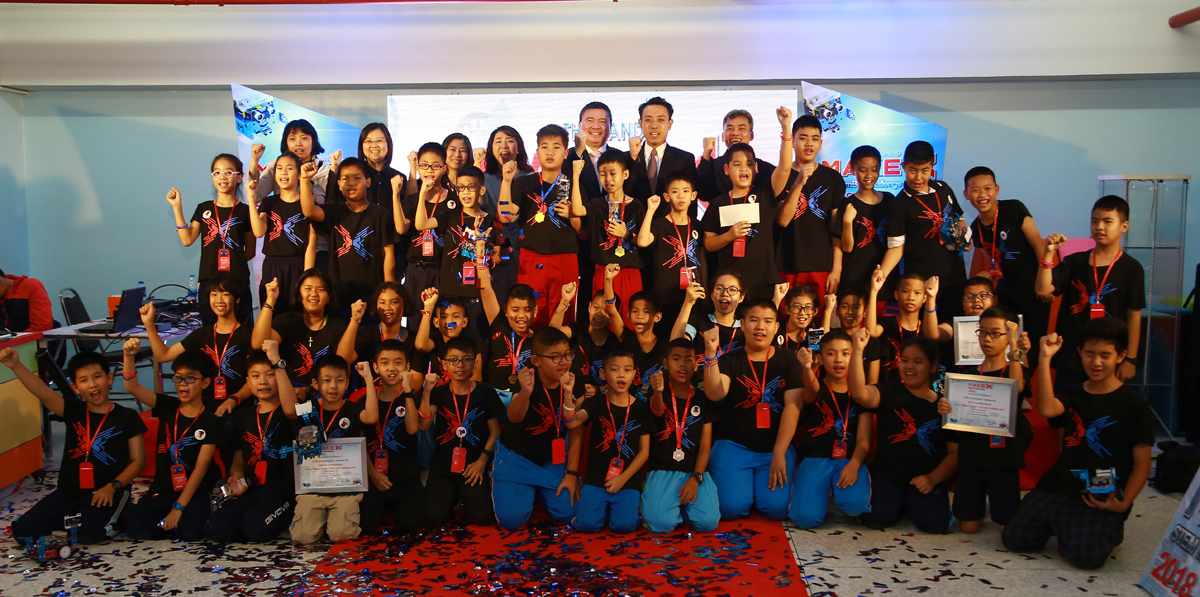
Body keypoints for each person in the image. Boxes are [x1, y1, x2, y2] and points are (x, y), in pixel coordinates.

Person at [1002, 319, 1153, 569]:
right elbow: (1047, 409)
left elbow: (1143, 464)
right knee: (1015, 539)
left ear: (1120, 356)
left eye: (1105, 355)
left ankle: (1101, 527)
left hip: (1100, 490)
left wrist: (1124, 503)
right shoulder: (1073, 392)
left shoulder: (1134, 404)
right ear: (1080, 352)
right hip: (1060, 486)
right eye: (1090, 353)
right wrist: (1044, 359)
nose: (1096, 362)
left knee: (1086, 558)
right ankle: (1069, 525)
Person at [2, 350, 146, 546]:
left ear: (109, 378)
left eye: (97, 377)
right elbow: (42, 391)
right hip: (71, 491)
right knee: (23, 532)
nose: (92, 384)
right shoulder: (73, 410)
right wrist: (16, 365)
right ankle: (78, 517)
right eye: (84, 380)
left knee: (91, 534)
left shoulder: (128, 416)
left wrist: (112, 486)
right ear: (75, 387)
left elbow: (138, 462)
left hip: (109, 490)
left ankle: (122, 511)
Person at [702, 299, 805, 521]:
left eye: (768, 321)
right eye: (754, 320)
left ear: (776, 327)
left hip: (775, 447)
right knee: (730, 509)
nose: (760, 327)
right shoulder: (730, 359)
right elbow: (715, 394)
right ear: (742, 324)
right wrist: (710, 355)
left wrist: (780, 452)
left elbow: (793, 406)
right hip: (734, 444)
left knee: (777, 509)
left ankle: (755, 487)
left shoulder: (788, 359)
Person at [850, 330, 957, 534]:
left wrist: (933, 478)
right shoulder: (888, 392)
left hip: (925, 478)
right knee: (875, 518)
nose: (909, 366)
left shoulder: (944, 406)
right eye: (905, 360)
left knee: (935, 524)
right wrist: (857, 349)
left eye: (918, 362)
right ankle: (901, 504)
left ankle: (914, 504)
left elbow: (954, 453)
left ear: (932, 366)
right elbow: (860, 394)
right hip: (887, 477)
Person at [1036, 195, 1145, 387]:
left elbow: (1134, 316)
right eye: (1095, 221)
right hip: (1072, 355)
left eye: (1107, 221)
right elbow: (1042, 289)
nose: (1100, 227)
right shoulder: (1075, 261)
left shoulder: (1132, 268)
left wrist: (1130, 359)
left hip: (1110, 357)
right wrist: (1048, 253)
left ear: (1124, 226)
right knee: (1066, 402)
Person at [273, 349, 379, 544]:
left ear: (347, 383)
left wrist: (368, 378)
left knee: (341, 534)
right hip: (313, 487)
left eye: (340, 380)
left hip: (345, 489)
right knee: (303, 536)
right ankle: (320, 520)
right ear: (315, 383)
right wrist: (277, 364)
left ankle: (333, 520)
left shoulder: (351, 409)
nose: (333, 386)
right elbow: (289, 411)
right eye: (327, 380)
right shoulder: (309, 407)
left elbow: (371, 417)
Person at [944, 306, 1033, 534]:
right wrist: (946, 408)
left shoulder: (1015, 369)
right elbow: (955, 412)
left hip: (1004, 459)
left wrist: (1013, 343)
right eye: (982, 332)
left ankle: (1000, 503)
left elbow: (1017, 387)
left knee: (1006, 529)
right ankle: (979, 505)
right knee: (969, 527)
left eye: (995, 333)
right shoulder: (966, 372)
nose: (987, 338)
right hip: (972, 456)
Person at [121, 344, 220, 541]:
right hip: (164, 488)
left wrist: (179, 507)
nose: (183, 384)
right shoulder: (167, 406)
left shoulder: (210, 420)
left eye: (190, 378)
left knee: (191, 533)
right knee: (136, 530)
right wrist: (128, 356)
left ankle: (191, 513)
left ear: (205, 382)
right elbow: (131, 387)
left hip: (195, 489)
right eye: (178, 378)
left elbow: (200, 468)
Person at [491, 327, 583, 530]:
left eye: (567, 355)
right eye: (555, 357)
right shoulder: (528, 376)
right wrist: (525, 392)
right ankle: (521, 485)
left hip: (552, 459)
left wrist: (571, 473)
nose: (564, 362)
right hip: (518, 457)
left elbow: (576, 427)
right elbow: (514, 417)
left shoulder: (574, 376)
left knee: (571, 511)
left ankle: (539, 488)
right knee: (512, 521)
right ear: (536, 360)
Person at [205, 350, 297, 543]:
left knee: (256, 529)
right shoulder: (243, 417)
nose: (262, 382)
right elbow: (238, 458)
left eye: (269, 375)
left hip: (282, 489)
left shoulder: (289, 411)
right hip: (251, 486)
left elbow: (292, 410)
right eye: (256, 376)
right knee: (217, 529)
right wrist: (237, 476)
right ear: (248, 382)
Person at [498, 125, 583, 328]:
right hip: (532, 259)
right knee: (530, 316)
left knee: (564, 316)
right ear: (537, 152)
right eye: (544, 147)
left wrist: (571, 214)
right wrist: (506, 182)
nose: (550, 152)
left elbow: (580, 229)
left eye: (556, 147)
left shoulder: (573, 184)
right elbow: (505, 216)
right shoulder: (524, 183)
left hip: (564, 259)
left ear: (566, 153)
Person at [789, 330, 873, 529]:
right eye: (831, 353)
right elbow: (810, 390)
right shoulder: (817, 388)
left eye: (846, 353)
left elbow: (864, 440)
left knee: (855, 505)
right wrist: (807, 369)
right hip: (816, 457)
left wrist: (854, 464)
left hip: (849, 458)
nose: (839, 360)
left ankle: (839, 492)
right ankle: (820, 493)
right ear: (820, 358)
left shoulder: (862, 394)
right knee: (805, 518)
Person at [964, 166, 1050, 361]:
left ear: (997, 189)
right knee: (1007, 345)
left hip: (1033, 289)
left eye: (987, 188)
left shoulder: (1013, 209)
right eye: (975, 190)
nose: (982, 195)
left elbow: (1038, 245)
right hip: (1006, 294)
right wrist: (990, 276)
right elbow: (994, 261)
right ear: (966, 194)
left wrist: (1046, 284)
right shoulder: (975, 228)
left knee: (1031, 347)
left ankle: (1024, 378)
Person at [878, 141, 969, 323]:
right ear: (903, 166)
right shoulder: (899, 204)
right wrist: (882, 274)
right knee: (926, 334)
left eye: (925, 170)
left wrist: (964, 238)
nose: (918, 177)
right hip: (922, 285)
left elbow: (959, 218)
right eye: (912, 170)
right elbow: (896, 247)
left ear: (932, 166)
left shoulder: (943, 189)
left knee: (955, 331)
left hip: (955, 277)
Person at [564, 350, 653, 533]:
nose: (621, 375)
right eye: (615, 369)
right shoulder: (595, 403)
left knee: (623, 526)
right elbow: (572, 422)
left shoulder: (641, 408)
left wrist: (623, 478)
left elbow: (644, 452)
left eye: (627, 370)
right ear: (603, 374)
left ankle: (619, 511)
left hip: (627, 479)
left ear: (634, 374)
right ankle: (600, 510)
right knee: (587, 525)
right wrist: (568, 394)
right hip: (597, 478)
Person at [419, 337, 503, 525]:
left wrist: (482, 461)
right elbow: (424, 425)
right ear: (444, 364)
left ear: (475, 363)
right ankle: (454, 496)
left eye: (466, 360)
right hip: (443, 465)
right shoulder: (438, 392)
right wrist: (426, 392)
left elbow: (495, 432)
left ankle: (463, 495)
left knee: (483, 517)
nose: (460, 365)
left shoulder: (485, 392)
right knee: (432, 517)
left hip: (473, 464)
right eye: (454, 360)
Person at [140, 274, 252, 413]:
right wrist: (149, 324)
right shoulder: (201, 334)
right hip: (204, 406)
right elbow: (164, 355)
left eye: (225, 294)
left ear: (237, 299)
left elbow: (254, 378)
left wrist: (234, 399)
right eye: (214, 294)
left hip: (238, 406)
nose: (219, 300)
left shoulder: (247, 336)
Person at [168, 153, 256, 325]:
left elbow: (250, 251)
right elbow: (187, 240)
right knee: (211, 331)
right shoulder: (204, 208)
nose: (222, 177)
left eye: (228, 172)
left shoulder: (245, 211)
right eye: (217, 173)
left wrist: (233, 262)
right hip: (209, 282)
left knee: (241, 332)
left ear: (239, 177)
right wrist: (177, 207)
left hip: (237, 281)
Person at [301, 157, 397, 314]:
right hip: (339, 295)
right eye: (345, 179)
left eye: (357, 178)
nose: (351, 183)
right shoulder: (333, 210)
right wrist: (305, 180)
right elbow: (309, 211)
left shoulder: (381, 214)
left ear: (368, 182)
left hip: (372, 295)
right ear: (339, 185)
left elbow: (388, 254)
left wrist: (388, 289)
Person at [642, 338, 719, 534]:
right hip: (663, 469)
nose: (683, 364)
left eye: (688, 359)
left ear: (697, 364)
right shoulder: (657, 391)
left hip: (694, 470)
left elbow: (705, 446)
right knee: (661, 524)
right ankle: (669, 504)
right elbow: (657, 411)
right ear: (666, 363)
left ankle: (681, 506)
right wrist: (658, 392)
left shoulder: (703, 398)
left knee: (709, 523)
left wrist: (696, 478)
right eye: (676, 359)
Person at [701, 143, 786, 301]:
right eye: (737, 164)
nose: (743, 169)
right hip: (730, 284)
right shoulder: (719, 202)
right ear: (726, 169)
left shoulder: (765, 195)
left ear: (756, 168)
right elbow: (708, 244)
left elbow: (785, 168)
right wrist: (729, 236)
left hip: (763, 281)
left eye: (749, 164)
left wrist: (786, 132)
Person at [775, 111, 847, 295]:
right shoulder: (781, 176)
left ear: (821, 143)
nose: (809, 144)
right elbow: (782, 220)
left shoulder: (832, 178)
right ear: (793, 141)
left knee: (820, 313)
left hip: (822, 266)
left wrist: (836, 268)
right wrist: (798, 182)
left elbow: (836, 230)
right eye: (803, 138)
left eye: (814, 139)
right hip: (786, 264)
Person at [251, 271, 358, 392]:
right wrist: (271, 300)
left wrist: (309, 390)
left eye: (320, 289)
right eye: (308, 289)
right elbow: (258, 343)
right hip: (288, 391)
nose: (314, 294)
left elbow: (343, 364)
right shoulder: (287, 321)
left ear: (328, 297)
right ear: (299, 295)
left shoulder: (338, 326)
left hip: (324, 393)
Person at [249, 120, 334, 272]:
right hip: (286, 248)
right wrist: (254, 161)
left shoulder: (325, 171)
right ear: (286, 143)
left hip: (319, 247)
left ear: (313, 141)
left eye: (304, 138)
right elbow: (255, 194)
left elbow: (333, 208)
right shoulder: (276, 167)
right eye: (292, 139)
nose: (298, 143)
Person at [432, 164, 506, 333]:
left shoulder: (492, 220)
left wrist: (484, 258)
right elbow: (421, 224)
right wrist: (423, 192)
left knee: (478, 337)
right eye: (461, 188)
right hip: (451, 291)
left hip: (479, 292)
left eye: (471, 187)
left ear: (481, 190)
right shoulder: (450, 216)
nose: (465, 192)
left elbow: (499, 255)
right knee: (452, 338)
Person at [360, 340, 423, 533]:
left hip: (405, 475)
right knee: (366, 525)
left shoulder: (412, 398)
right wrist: (372, 474)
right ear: (376, 368)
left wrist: (408, 391)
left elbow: (412, 429)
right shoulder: (366, 400)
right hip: (375, 475)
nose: (392, 368)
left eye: (398, 362)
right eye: (385, 363)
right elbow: (360, 442)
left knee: (411, 525)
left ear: (407, 367)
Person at [570, 151, 645, 313]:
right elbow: (577, 210)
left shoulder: (636, 206)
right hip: (602, 272)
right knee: (602, 319)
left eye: (613, 174)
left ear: (625, 174)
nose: (608, 179)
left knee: (628, 320)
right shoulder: (597, 204)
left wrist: (626, 234)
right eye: (602, 174)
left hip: (629, 274)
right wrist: (575, 176)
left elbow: (643, 241)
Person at [246, 152, 316, 314]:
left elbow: (311, 245)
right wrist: (251, 198)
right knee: (271, 315)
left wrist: (307, 277)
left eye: (289, 168)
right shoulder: (269, 202)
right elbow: (258, 231)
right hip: (272, 266)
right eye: (279, 168)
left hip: (298, 266)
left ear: (299, 174)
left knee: (297, 316)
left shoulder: (307, 204)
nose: (283, 172)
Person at [637, 172, 708, 329]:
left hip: (694, 295)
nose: (680, 196)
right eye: (675, 191)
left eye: (685, 191)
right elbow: (642, 242)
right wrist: (650, 210)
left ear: (693, 195)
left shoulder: (698, 225)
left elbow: (703, 259)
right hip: (666, 297)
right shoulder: (659, 224)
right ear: (667, 196)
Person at [552, 269, 625, 397]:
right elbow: (551, 336)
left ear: (613, 315)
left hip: (602, 398)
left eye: (606, 311)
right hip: (570, 394)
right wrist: (564, 302)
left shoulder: (615, 343)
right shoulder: (577, 329)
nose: (599, 314)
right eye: (596, 308)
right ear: (589, 307)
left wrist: (599, 390)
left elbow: (623, 379)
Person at [481, 126, 533, 302]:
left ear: (518, 148)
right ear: (491, 149)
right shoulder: (484, 179)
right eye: (498, 142)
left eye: (510, 141)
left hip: (523, 250)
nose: (504, 145)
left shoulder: (531, 177)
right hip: (493, 251)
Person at [834, 146, 893, 292]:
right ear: (852, 169)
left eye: (874, 170)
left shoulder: (890, 201)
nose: (869, 175)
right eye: (863, 170)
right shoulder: (847, 204)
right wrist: (847, 222)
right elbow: (847, 248)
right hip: (854, 278)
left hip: (884, 279)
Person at [628, 97, 698, 220]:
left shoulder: (684, 159)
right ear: (640, 123)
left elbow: (690, 204)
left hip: (670, 228)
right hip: (633, 228)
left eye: (660, 120)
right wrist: (632, 159)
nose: (654, 125)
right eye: (648, 120)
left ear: (669, 124)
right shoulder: (627, 158)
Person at [400, 142, 453, 297]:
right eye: (424, 165)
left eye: (435, 166)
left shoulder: (453, 199)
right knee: (414, 311)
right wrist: (421, 193)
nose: (429, 170)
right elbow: (401, 228)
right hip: (416, 268)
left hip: (443, 267)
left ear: (444, 168)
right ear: (418, 168)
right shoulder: (412, 200)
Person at [697, 109, 775, 203]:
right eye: (730, 129)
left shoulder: (764, 169)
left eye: (741, 128)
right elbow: (704, 193)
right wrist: (706, 153)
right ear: (723, 136)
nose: (735, 133)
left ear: (751, 135)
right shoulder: (712, 167)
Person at [867, 269, 927, 384]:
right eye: (905, 291)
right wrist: (874, 291)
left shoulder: (927, 330)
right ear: (896, 294)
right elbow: (871, 331)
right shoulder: (886, 323)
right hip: (889, 390)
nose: (911, 297)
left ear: (925, 298)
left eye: (917, 293)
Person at [414, 288, 484, 386]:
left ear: (464, 322)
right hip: (439, 392)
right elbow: (421, 345)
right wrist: (428, 307)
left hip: (464, 392)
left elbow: (477, 377)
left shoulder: (471, 339)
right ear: (436, 322)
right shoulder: (435, 338)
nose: (450, 322)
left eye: (455, 316)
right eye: (444, 317)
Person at [353, 282, 413, 371]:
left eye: (393, 302)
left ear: (404, 304)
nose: (387, 307)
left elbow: (416, 378)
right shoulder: (365, 333)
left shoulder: (414, 340)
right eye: (382, 302)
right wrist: (355, 319)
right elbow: (345, 357)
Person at [625, 291, 666, 403]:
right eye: (635, 311)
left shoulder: (666, 347)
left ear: (657, 317)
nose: (639, 316)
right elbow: (612, 312)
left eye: (646, 311)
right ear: (628, 315)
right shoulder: (626, 340)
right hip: (630, 407)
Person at [0, 267, 52, 332]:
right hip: (12, 336)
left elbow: (42, 327)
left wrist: (17, 338)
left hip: (39, 336)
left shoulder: (31, 286)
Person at [776, 285, 821, 355]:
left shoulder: (813, 339)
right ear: (787, 309)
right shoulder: (776, 329)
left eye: (808, 307)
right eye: (796, 306)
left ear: (815, 311)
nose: (802, 313)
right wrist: (776, 300)